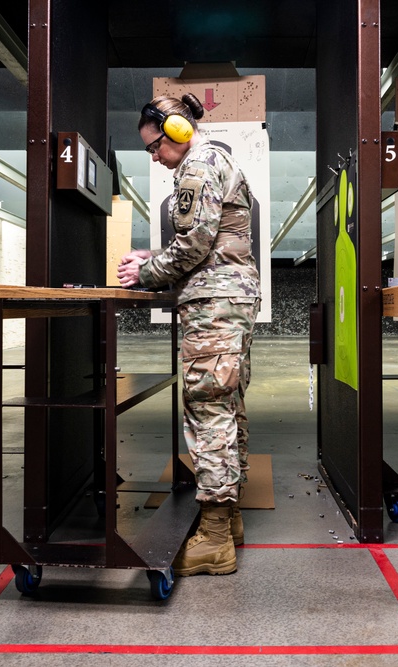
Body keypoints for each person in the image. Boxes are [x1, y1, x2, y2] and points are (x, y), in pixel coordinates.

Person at [117, 93, 261, 575]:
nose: (154, 156)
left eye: (154, 146)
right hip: (231, 299)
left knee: (208, 408)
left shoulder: (198, 165)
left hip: (214, 305)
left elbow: (196, 244)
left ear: (176, 131)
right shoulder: (213, 160)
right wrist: (154, 257)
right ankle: (231, 518)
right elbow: (208, 237)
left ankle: (215, 537)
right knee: (228, 404)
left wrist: (146, 272)